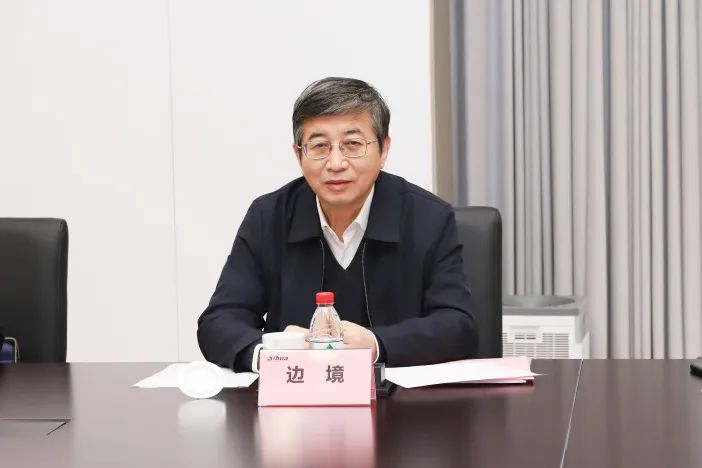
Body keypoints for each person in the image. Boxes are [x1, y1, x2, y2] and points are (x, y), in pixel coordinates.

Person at [198, 77, 477, 372]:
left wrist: (376, 344)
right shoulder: (268, 217)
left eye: (352, 144)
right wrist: (270, 354)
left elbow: (457, 325)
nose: (335, 163)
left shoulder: (428, 218)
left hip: (398, 397)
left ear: (384, 150)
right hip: (296, 394)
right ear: (298, 154)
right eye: (319, 146)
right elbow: (219, 322)